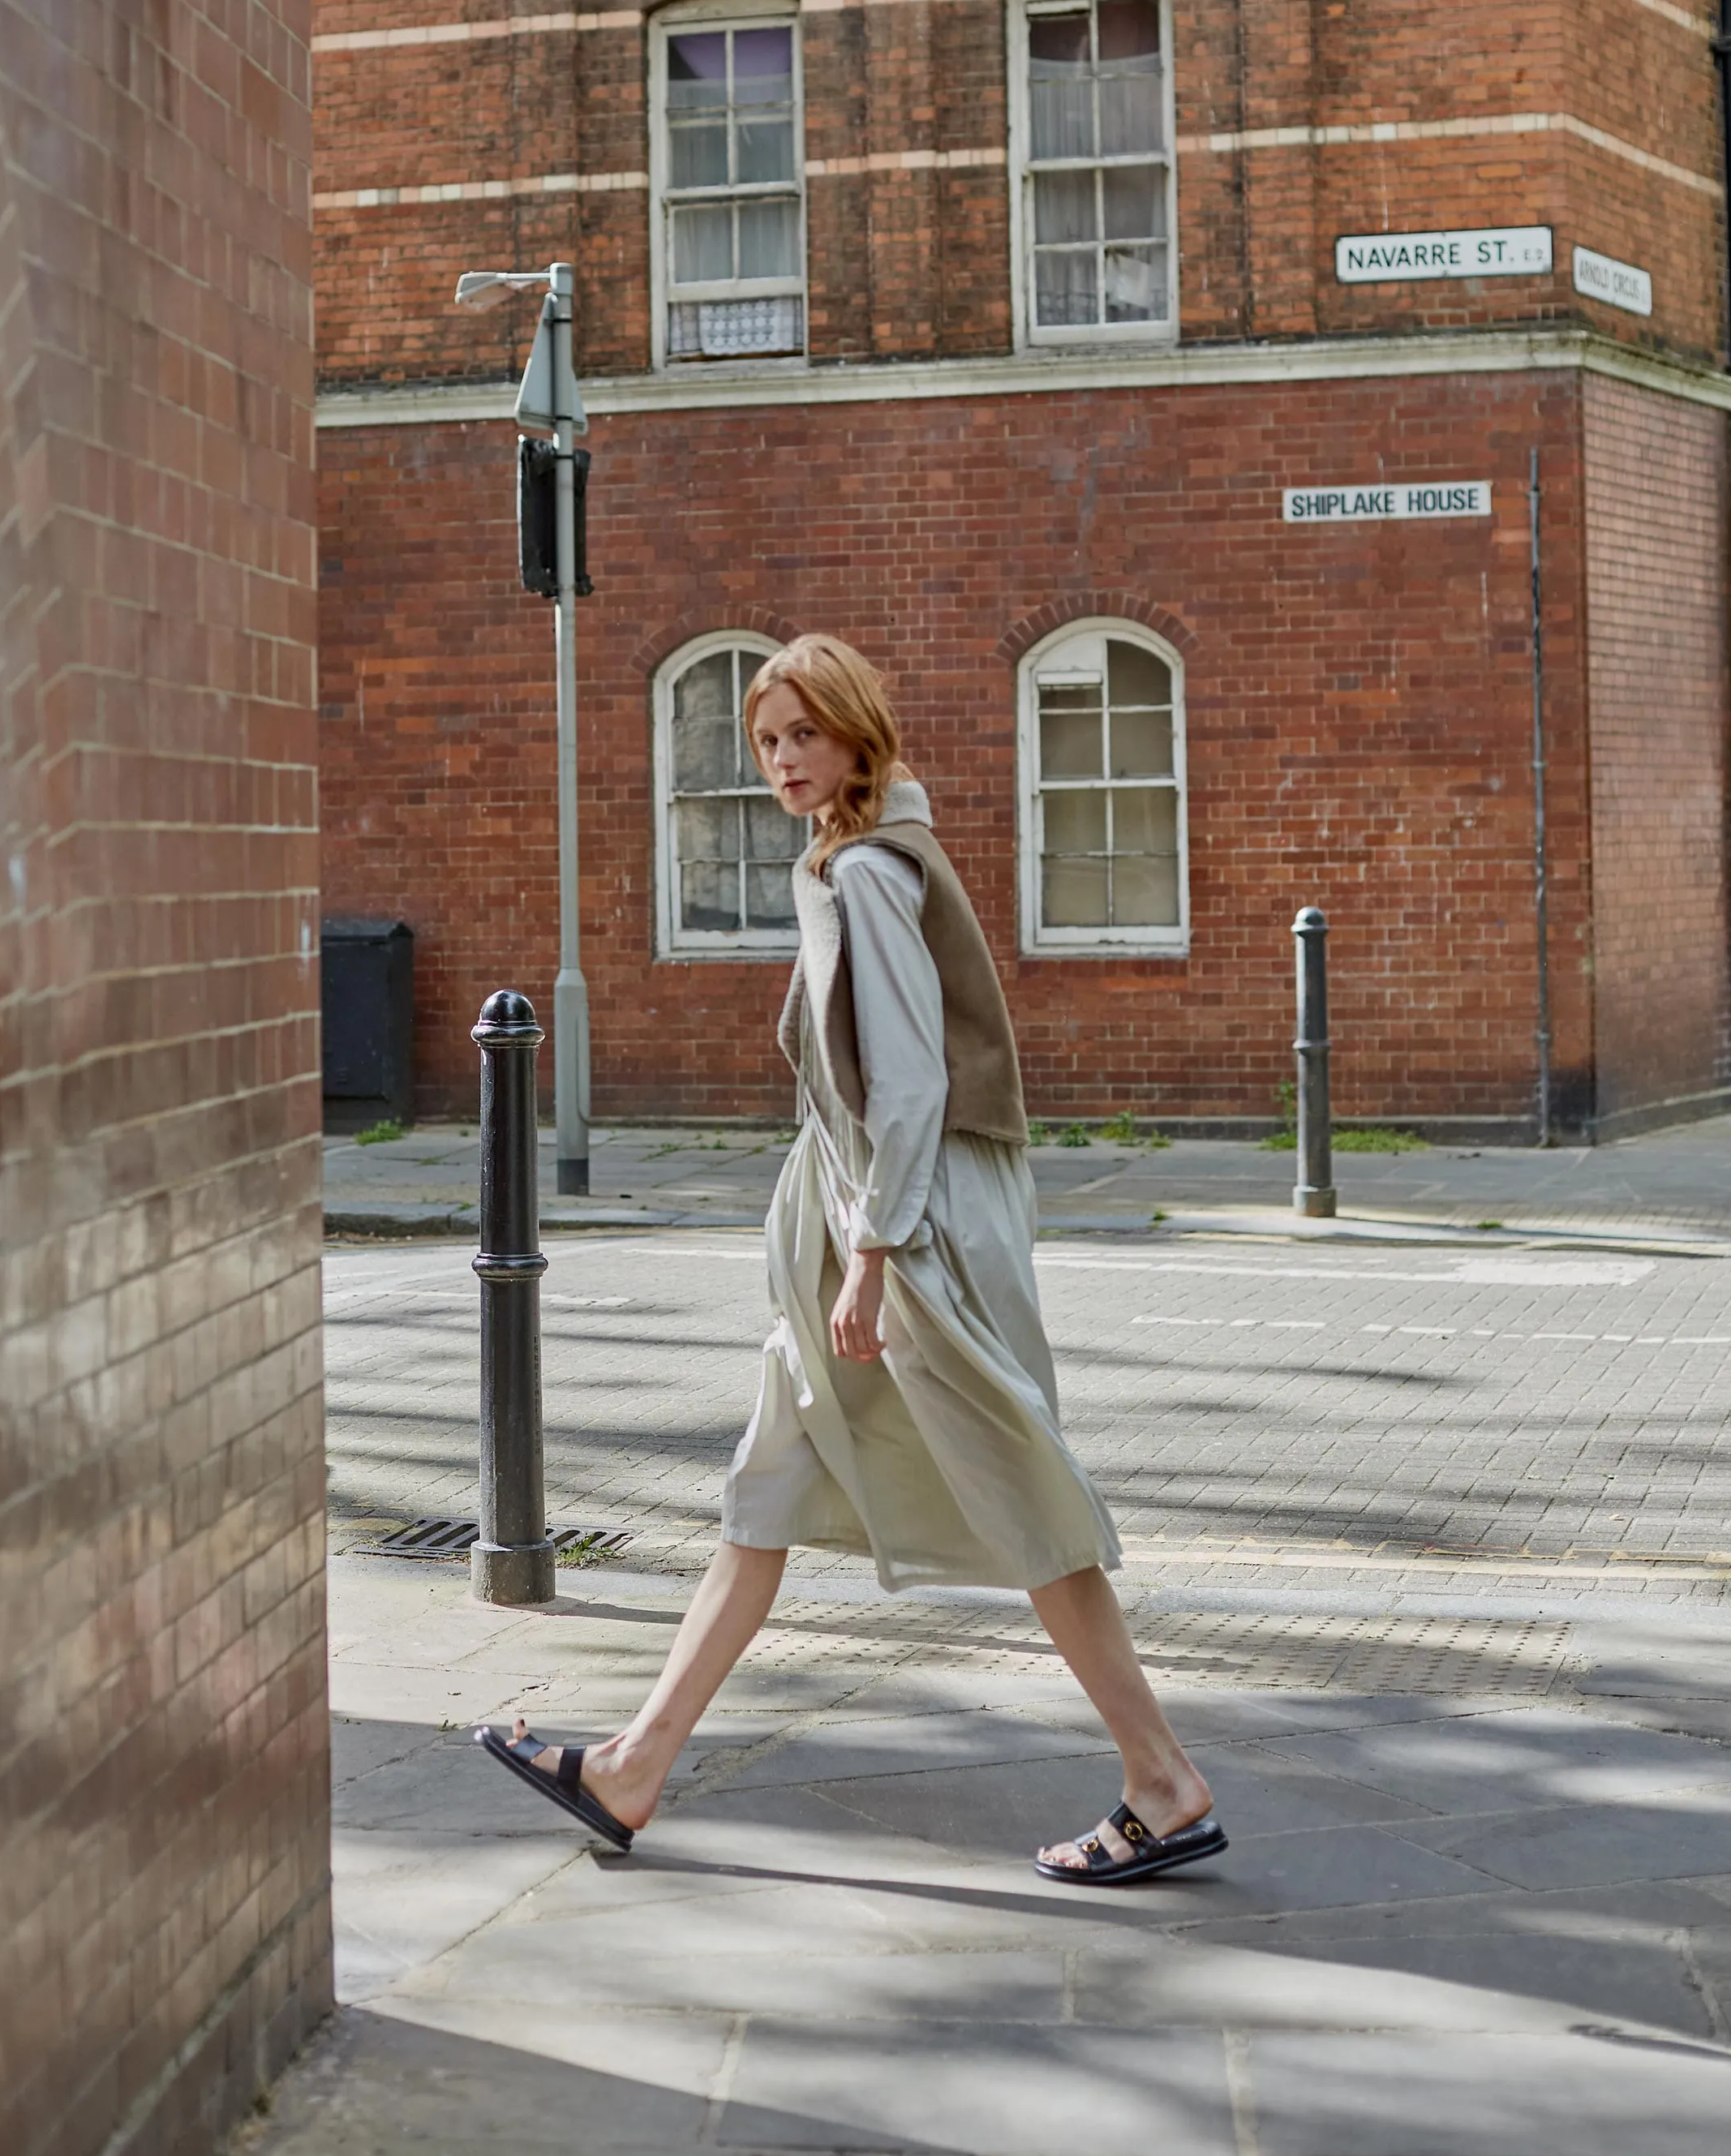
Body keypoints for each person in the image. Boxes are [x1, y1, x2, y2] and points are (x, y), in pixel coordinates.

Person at [478, 634, 1224, 1887]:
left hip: (909, 1228)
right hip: (873, 1224)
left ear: (857, 736)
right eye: (768, 740)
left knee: (1022, 1484)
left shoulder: (872, 871)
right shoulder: (854, 856)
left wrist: (872, 1255)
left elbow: (915, 1085)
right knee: (762, 1489)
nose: (781, 760)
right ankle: (635, 1766)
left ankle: (1163, 1779)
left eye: (804, 737)